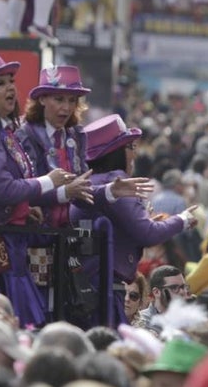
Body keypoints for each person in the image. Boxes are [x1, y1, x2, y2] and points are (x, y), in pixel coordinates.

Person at [0, 51, 93, 328]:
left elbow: (16, 185)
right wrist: (48, 181)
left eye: (11, 81)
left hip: (9, 241)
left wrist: (28, 205)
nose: (10, 88)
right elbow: (3, 188)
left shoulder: (0, 127)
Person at [76, 114, 195, 303]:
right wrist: (183, 220)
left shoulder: (90, 181)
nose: (134, 154)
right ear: (116, 152)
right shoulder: (117, 183)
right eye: (130, 147)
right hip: (103, 287)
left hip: (85, 281)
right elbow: (148, 233)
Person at [18, 65, 94, 229]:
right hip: (36, 233)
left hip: (69, 233)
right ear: (42, 99)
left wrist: (110, 191)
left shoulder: (76, 135)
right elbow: (21, 191)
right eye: (59, 99)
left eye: (72, 100)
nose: (66, 108)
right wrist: (65, 192)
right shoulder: (25, 135)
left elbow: (83, 187)